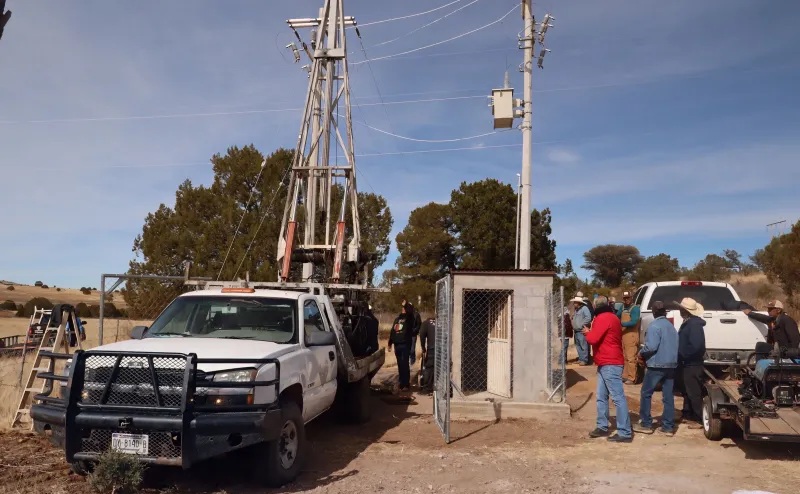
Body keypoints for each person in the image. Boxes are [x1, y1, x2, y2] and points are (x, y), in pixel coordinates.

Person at [583, 296, 632, 443]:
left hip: (609, 362)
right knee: (602, 397)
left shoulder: (602, 318)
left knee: (617, 398)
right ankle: (602, 426)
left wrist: (587, 332)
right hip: (609, 361)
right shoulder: (613, 317)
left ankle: (624, 432)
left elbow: (593, 339)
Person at [633, 301, 679, 436]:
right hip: (671, 365)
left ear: (653, 312)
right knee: (668, 396)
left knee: (646, 393)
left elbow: (651, 346)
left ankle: (646, 424)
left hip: (656, 365)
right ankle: (668, 426)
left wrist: (640, 353)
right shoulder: (671, 327)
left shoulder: (654, 326)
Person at [675, 297, 706, 429]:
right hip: (687, 363)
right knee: (687, 390)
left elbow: (697, 346)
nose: (680, 310)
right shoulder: (689, 323)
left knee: (694, 391)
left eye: (681, 309)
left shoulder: (693, 325)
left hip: (692, 363)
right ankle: (688, 413)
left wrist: (684, 355)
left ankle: (699, 418)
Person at [616, 291, 642, 385]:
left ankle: (632, 377)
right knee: (625, 356)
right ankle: (625, 375)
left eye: (628, 298)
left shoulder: (635, 309)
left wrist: (622, 323)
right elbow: (617, 316)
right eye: (625, 298)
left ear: (632, 298)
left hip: (631, 335)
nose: (626, 300)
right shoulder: (622, 307)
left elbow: (634, 321)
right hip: (624, 335)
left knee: (631, 357)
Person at [388, 302, 415, 391]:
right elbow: (393, 331)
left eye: (404, 308)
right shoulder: (397, 319)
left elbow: (410, 311)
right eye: (402, 308)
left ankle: (406, 384)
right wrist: (390, 343)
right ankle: (401, 382)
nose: (403, 309)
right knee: (400, 364)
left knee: (404, 364)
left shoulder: (409, 319)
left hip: (405, 344)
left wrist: (406, 304)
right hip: (397, 344)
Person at [570, 294, 593, 366]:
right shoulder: (577, 310)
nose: (574, 304)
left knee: (583, 346)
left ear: (578, 303)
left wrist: (581, 325)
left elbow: (588, 318)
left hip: (581, 330)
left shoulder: (584, 308)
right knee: (578, 346)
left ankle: (585, 360)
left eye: (575, 302)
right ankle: (581, 359)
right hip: (576, 331)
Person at [402, 299, 422, 366]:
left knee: (412, 349)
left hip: (413, 334)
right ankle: (407, 361)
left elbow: (419, 324)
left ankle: (412, 362)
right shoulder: (406, 314)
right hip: (406, 334)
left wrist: (415, 330)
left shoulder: (416, 314)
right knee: (406, 348)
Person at [419, 315, 436, 393]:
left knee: (428, 367)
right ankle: (435, 386)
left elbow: (422, 335)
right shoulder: (440, 322)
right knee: (437, 368)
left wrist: (423, 348)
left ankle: (426, 388)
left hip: (432, 348)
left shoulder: (425, 323)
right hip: (441, 349)